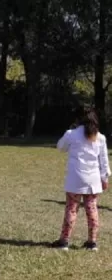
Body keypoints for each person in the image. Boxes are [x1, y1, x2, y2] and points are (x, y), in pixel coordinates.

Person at [52, 107, 110, 251]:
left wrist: (70, 130)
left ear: (78, 119)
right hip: (93, 180)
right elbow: (103, 160)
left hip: (76, 179)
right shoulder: (100, 137)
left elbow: (60, 147)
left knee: (71, 209)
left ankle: (64, 241)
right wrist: (105, 178)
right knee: (92, 210)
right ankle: (92, 242)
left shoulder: (71, 134)